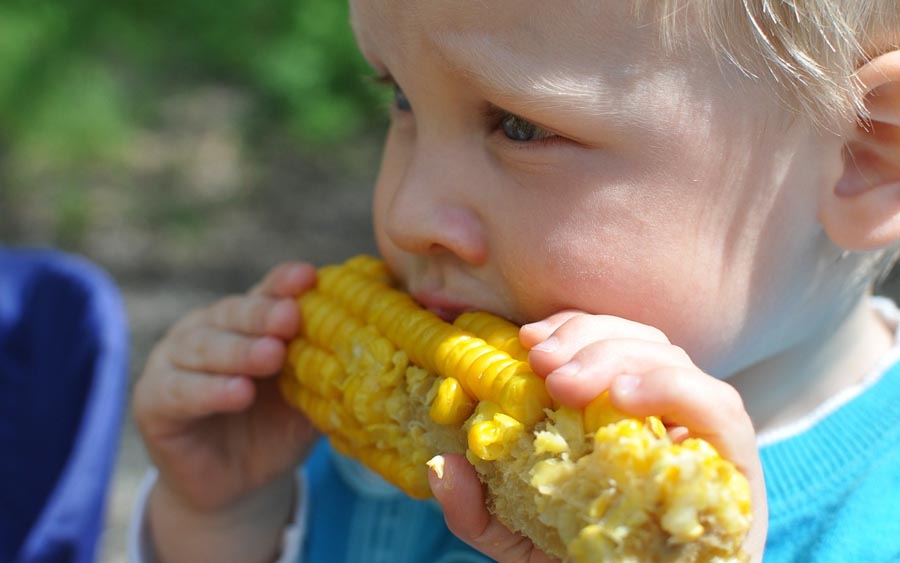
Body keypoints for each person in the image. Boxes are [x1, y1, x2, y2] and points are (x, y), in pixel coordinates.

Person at [129, 1, 900, 562]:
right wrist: (223, 520)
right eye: (400, 96)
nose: (406, 213)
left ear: (868, 156)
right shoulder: (366, 463)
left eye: (520, 126)